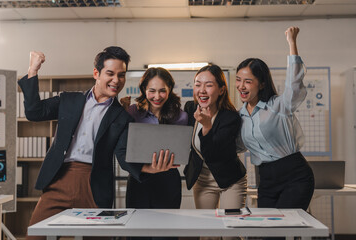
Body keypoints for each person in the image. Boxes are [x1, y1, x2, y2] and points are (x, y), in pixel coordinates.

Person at [19, 47, 176, 240]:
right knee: (36, 236)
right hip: (59, 179)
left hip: (94, 184)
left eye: (121, 75)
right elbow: (35, 112)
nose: (116, 80)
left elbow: (122, 154)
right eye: (110, 73)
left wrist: (148, 168)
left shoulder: (121, 115)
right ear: (96, 73)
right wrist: (33, 70)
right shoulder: (69, 99)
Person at [235, 26, 314, 212]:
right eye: (238, 80)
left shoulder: (279, 106)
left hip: (295, 175)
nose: (241, 86)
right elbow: (236, 146)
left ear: (261, 84)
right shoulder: (240, 117)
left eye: (248, 81)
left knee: (286, 226)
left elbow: (294, 84)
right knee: (268, 231)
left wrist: (292, 43)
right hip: (266, 179)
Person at [183, 64, 247, 216]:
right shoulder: (190, 108)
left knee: (230, 232)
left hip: (230, 180)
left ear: (221, 90)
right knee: (207, 233)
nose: (202, 90)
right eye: (198, 85)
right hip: (203, 179)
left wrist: (206, 126)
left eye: (209, 85)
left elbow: (214, 153)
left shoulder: (230, 117)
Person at [121, 67, 187, 210]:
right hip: (139, 178)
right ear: (144, 89)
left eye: (162, 90)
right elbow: (123, 148)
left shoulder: (180, 117)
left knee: (167, 229)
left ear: (169, 89)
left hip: (168, 180)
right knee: (137, 229)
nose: (157, 97)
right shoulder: (132, 112)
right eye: (152, 90)